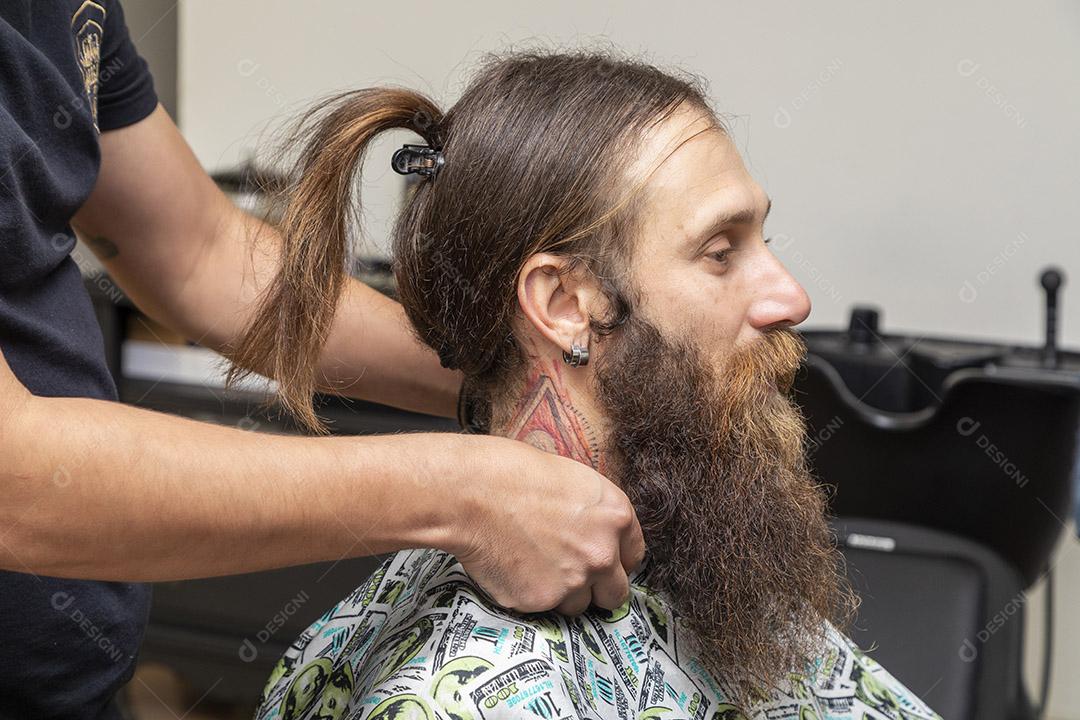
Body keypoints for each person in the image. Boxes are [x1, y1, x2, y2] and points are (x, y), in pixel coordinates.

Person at [247, 52, 943, 719]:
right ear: (564, 305)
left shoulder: (699, 548)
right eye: (721, 252)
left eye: (763, 239)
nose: (792, 298)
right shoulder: (455, 696)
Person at [0, 5, 644, 718]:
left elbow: (197, 254)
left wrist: (517, 379)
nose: (786, 297)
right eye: (717, 252)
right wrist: (464, 491)